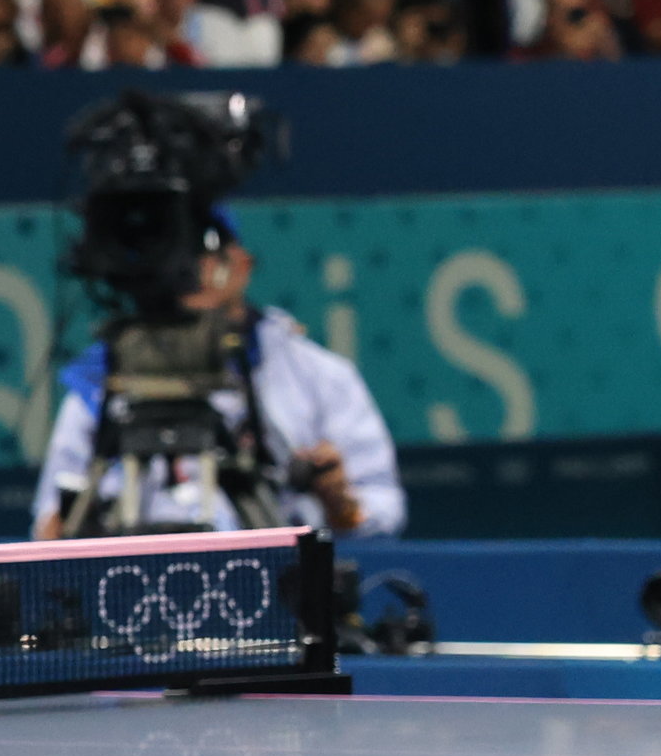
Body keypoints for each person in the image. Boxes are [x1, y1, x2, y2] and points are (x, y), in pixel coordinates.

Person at [29, 214, 404, 539]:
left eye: (206, 245)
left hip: (277, 593)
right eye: (172, 250)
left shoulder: (319, 376)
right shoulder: (104, 383)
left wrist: (343, 509)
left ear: (243, 263)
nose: (189, 265)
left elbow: (386, 511)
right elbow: (47, 528)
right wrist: (66, 526)